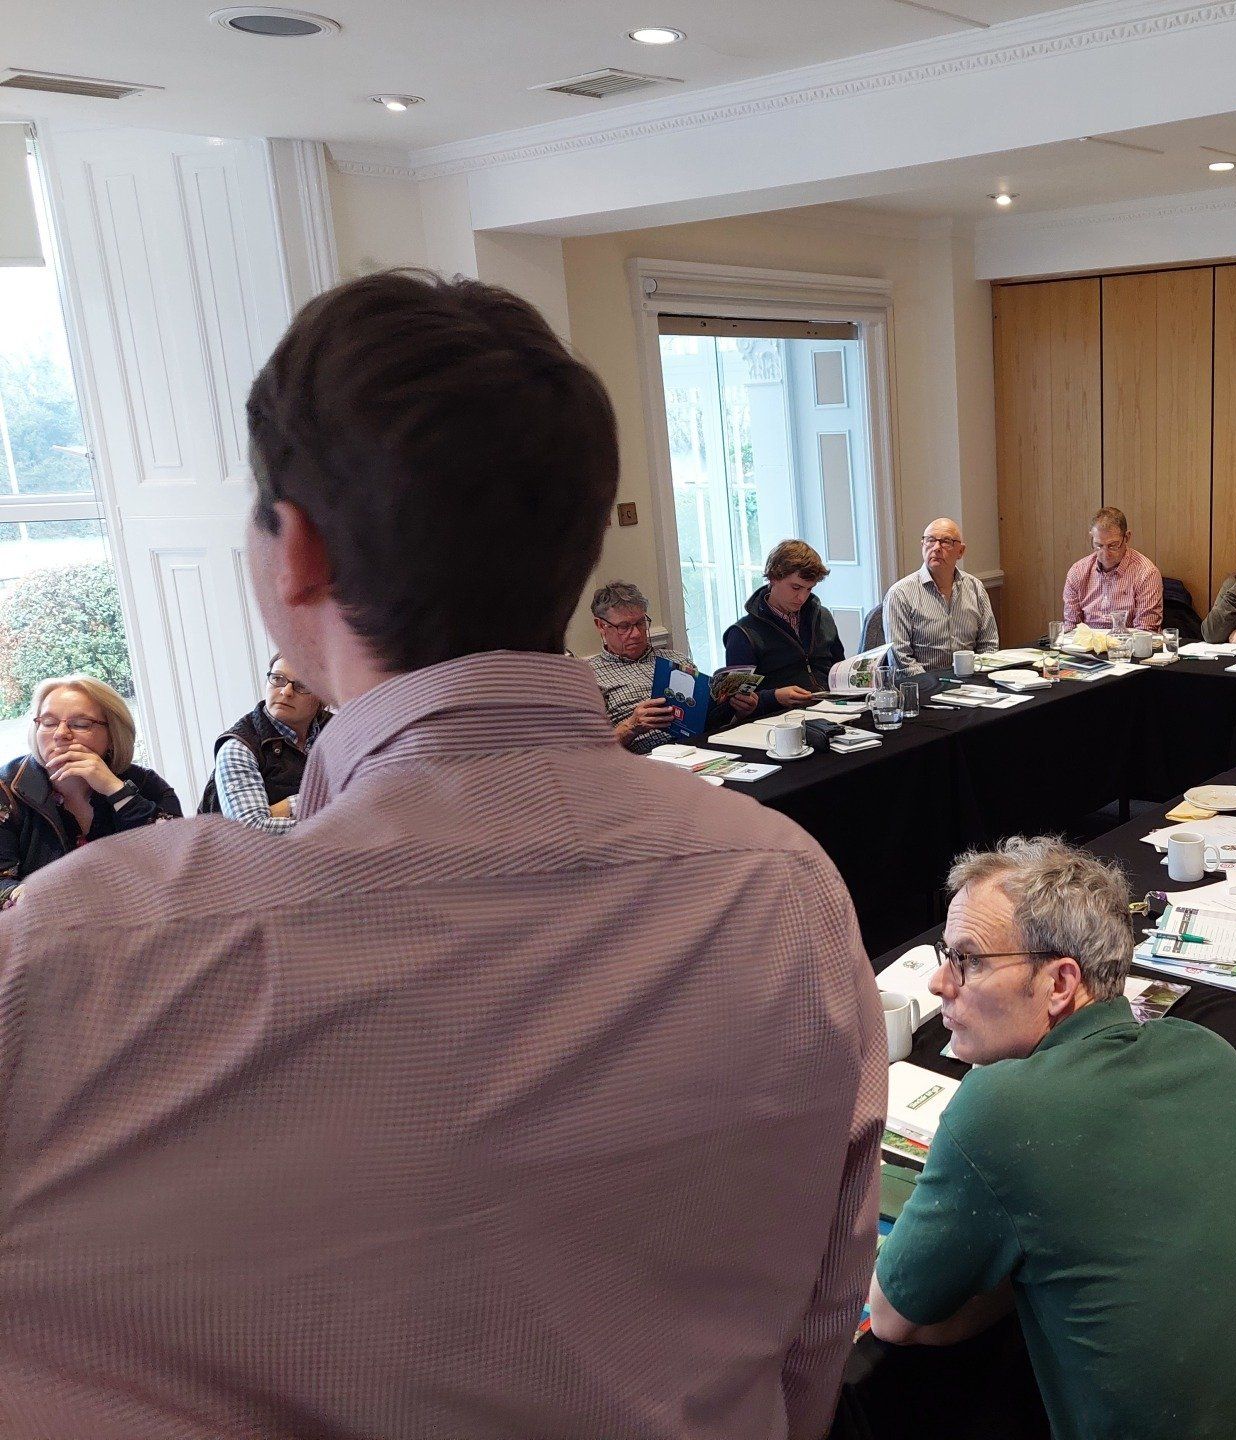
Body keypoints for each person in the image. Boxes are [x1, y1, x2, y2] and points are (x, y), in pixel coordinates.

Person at [0, 270, 883, 1439]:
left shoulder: (76, 953)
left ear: (295, 552)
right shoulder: (785, 889)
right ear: (575, 557)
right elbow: (812, 1338)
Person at [869, 837, 1236, 1440]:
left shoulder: (999, 1110)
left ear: (1060, 982)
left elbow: (891, 1317)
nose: (938, 983)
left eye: (969, 960)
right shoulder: (1207, 1052)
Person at [0, 675, 180, 904]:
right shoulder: (6, 789)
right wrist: (27, 896)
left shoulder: (146, 784)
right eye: (48, 722)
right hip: (44, 929)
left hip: (138, 922)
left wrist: (115, 790)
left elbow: (178, 857)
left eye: (80, 724)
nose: (60, 733)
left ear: (113, 735)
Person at [587, 581, 753, 748]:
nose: (636, 634)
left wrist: (739, 712)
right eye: (624, 626)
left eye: (640, 623)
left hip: (702, 746)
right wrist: (631, 726)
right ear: (601, 626)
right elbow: (590, 751)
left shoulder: (678, 660)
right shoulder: (589, 675)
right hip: (646, 759)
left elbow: (711, 722)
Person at [197, 652, 328, 831]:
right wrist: (311, 802)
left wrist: (285, 808)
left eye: (301, 685)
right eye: (278, 679)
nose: (286, 691)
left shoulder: (339, 728)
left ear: (323, 696)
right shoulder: (239, 747)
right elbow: (251, 831)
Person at [723, 539, 846, 711]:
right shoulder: (743, 633)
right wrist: (774, 697)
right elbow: (735, 703)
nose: (802, 598)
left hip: (833, 708)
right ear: (773, 578)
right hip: (780, 719)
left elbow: (839, 668)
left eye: (809, 589)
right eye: (796, 587)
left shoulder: (822, 616)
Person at [883, 517, 999, 672]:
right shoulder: (900, 594)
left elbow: (989, 646)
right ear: (922, 545)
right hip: (924, 687)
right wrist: (933, 686)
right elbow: (900, 659)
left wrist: (978, 679)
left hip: (971, 684)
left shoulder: (975, 587)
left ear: (961, 551)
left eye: (946, 541)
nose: (936, 547)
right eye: (930, 540)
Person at [1061, 506, 1164, 631]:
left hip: (1128, 646)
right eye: (1098, 545)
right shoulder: (1078, 572)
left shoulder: (1146, 573)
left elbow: (1146, 631)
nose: (1105, 554)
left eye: (1113, 545)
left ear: (1127, 537)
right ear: (1091, 538)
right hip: (1085, 647)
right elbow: (1071, 626)